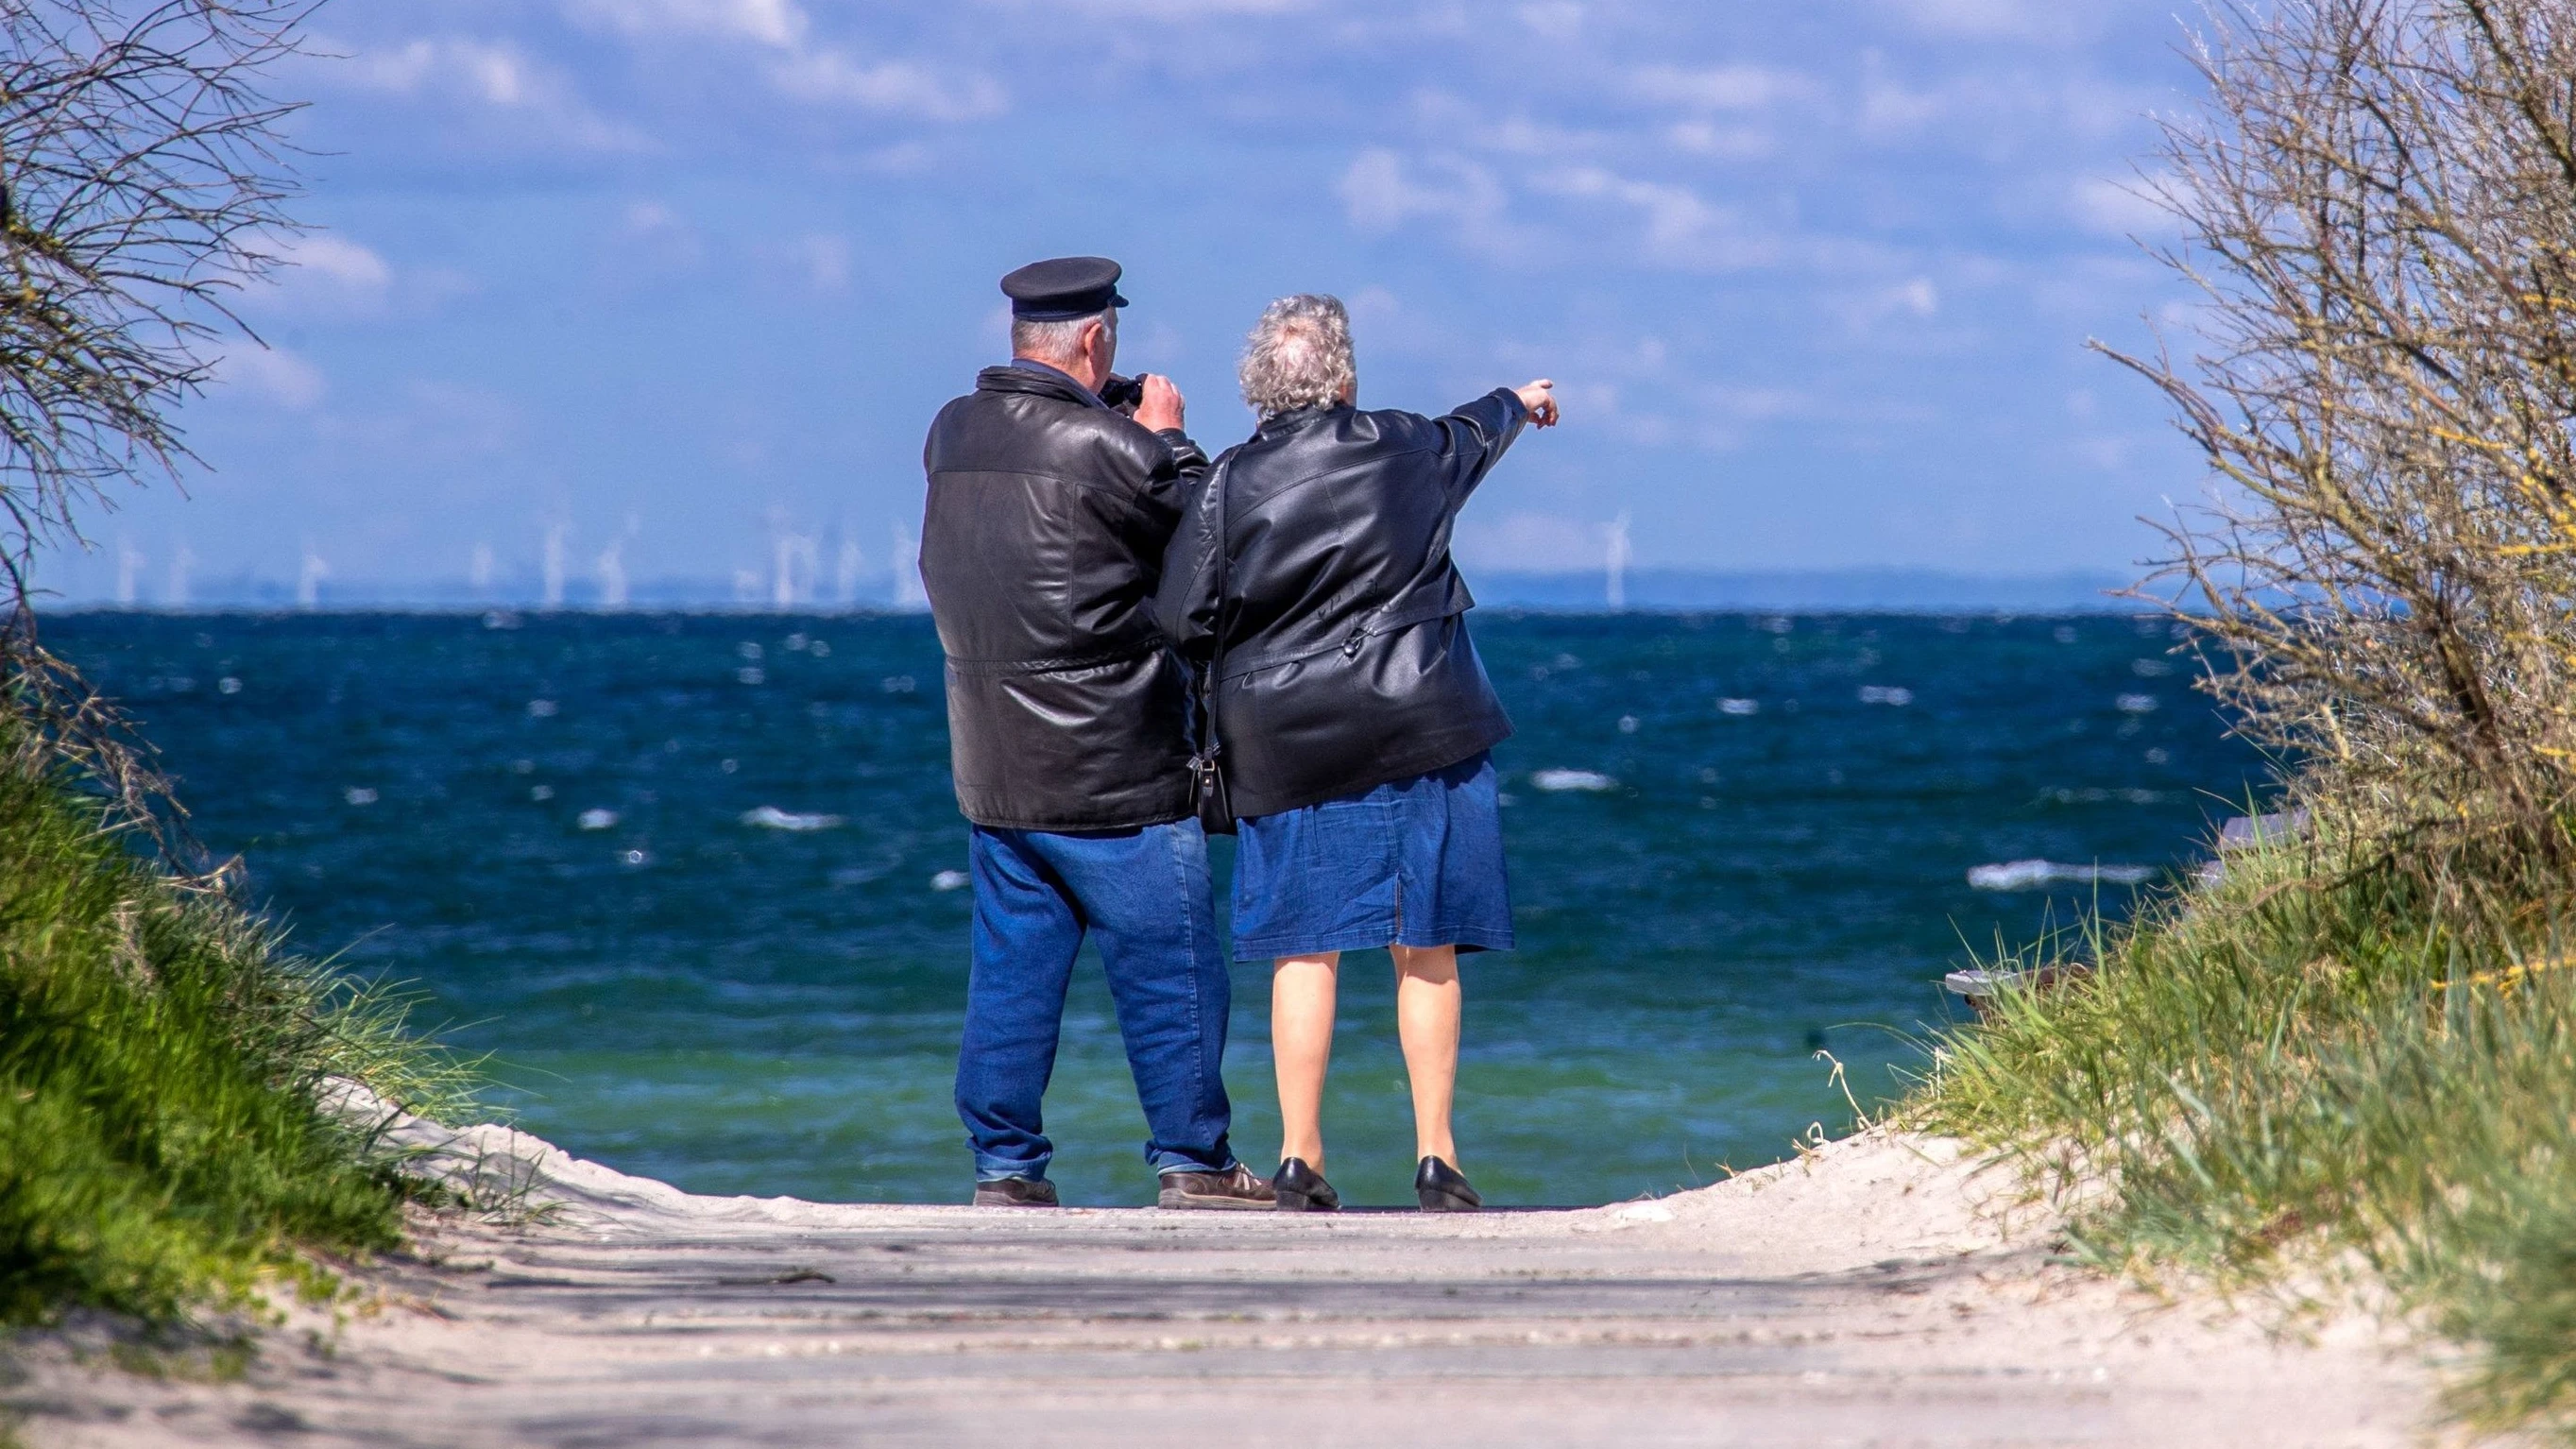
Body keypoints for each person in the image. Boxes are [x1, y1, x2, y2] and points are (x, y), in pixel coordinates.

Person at [1158, 293, 1558, 1213]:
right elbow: (1474, 431)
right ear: (1343, 378)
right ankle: (1437, 1157)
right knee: (1427, 946)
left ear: (1259, 385)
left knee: (1306, 950)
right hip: (1425, 724)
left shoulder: (1227, 484)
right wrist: (1521, 399)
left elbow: (1182, 618)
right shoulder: (1405, 443)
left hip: (1286, 743)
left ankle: (1298, 1157)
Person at [918, 256, 1272, 1211]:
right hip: (1116, 763)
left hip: (996, 762)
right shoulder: (1115, 449)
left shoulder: (952, 431)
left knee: (1012, 978)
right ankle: (1194, 1160)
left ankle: (1005, 1167)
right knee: (1171, 975)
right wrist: (1169, 436)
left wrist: (1110, 422)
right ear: (1094, 337)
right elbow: (1212, 535)